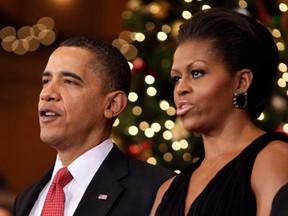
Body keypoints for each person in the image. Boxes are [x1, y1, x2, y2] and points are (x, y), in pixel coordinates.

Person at [13, 36, 175, 216]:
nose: (47, 93)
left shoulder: (156, 189)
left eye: (69, 81)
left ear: (112, 104)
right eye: (46, 81)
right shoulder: (26, 199)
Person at [150, 8, 288, 216]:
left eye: (196, 73)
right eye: (176, 78)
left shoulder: (273, 159)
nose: (181, 88)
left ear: (241, 82)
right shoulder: (167, 189)